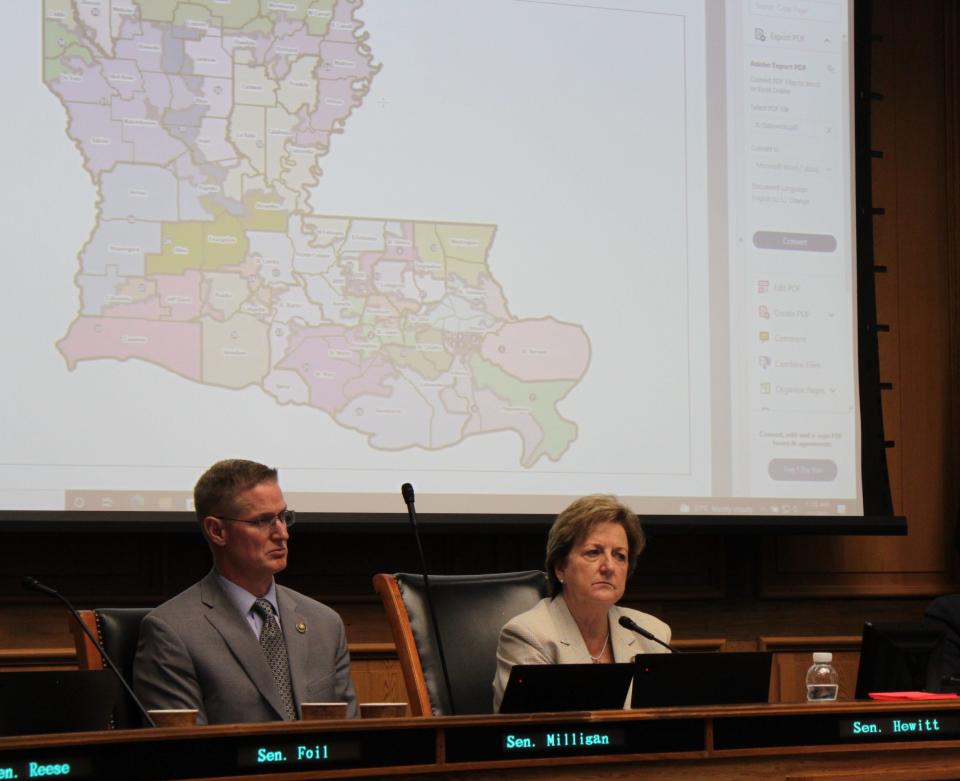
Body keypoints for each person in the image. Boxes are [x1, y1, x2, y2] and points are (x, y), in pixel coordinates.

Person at [133, 459, 357, 724]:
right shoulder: (172, 632)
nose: (282, 534)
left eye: (283, 517)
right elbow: (187, 752)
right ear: (217, 531)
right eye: (263, 521)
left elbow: (349, 737)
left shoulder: (324, 623)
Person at [493, 494, 670, 711]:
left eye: (619, 556)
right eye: (593, 553)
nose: (609, 567)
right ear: (560, 568)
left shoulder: (653, 634)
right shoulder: (529, 635)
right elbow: (527, 730)